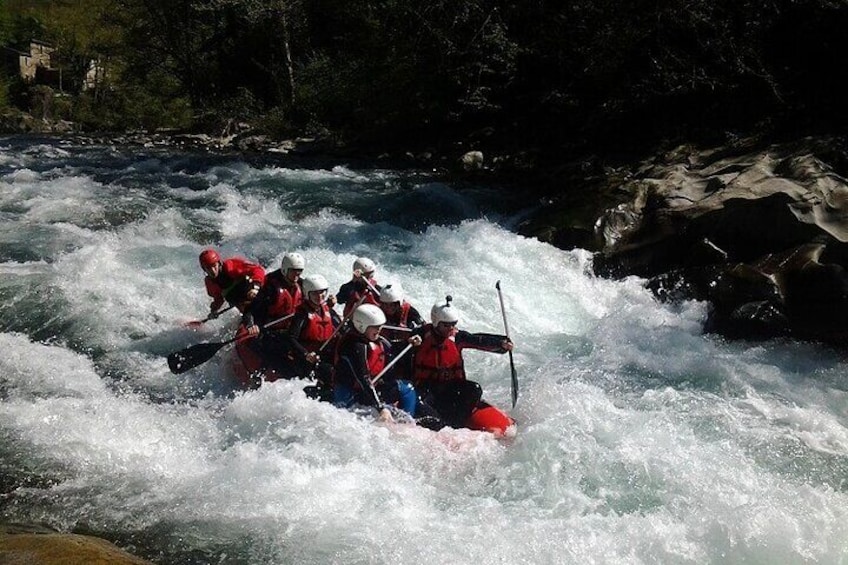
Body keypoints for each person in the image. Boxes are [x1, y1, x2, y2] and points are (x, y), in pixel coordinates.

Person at [410, 296, 513, 429]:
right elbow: (398, 349)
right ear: (436, 323)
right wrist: (410, 342)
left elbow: (478, 340)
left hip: (450, 387)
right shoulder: (420, 335)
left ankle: (457, 424)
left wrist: (501, 344)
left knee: (474, 389)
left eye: (453, 324)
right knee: (419, 402)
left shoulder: (457, 337)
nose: (450, 328)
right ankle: (438, 424)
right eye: (446, 325)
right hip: (427, 389)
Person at [334, 304, 438, 425]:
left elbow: (390, 348)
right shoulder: (354, 347)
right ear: (361, 326)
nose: (379, 329)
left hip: (367, 390)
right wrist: (380, 408)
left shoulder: (373, 338)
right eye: (375, 327)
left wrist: (407, 342)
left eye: (380, 326)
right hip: (350, 395)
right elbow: (363, 379)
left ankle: (407, 423)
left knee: (406, 388)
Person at [235, 252, 306, 382]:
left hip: (291, 331)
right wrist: (251, 326)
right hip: (268, 332)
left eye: (299, 272)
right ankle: (260, 374)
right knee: (275, 351)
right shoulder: (270, 287)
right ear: (285, 269)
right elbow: (250, 311)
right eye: (294, 272)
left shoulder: (302, 285)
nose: (297, 275)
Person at [285, 274, 340, 389]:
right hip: (305, 358)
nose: (319, 296)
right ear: (307, 293)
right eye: (315, 293)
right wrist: (306, 354)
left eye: (322, 292)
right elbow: (291, 338)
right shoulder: (302, 314)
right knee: (327, 371)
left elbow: (341, 329)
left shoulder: (328, 311)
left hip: (323, 354)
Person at [199, 248, 266, 316]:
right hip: (246, 310)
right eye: (208, 268)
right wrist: (214, 310)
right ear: (204, 269)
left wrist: (255, 288)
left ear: (219, 263)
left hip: (260, 297)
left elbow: (258, 270)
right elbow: (219, 298)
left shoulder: (231, 267)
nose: (212, 271)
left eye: (214, 266)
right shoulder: (210, 284)